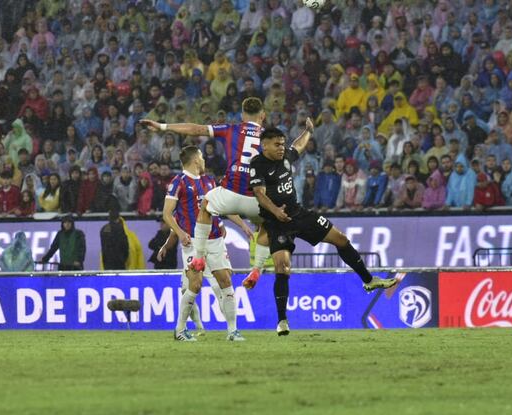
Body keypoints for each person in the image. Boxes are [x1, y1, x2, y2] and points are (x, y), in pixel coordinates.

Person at [249, 126, 398, 336]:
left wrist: (308, 131)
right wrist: (275, 211)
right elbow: (259, 193)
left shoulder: (286, 157)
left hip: (298, 214)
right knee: (282, 268)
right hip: (276, 222)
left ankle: (369, 280)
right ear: (264, 145)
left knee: (341, 239)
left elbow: (298, 146)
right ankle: (282, 320)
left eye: (282, 144)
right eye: (277, 144)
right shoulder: (257, 164)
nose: (281, 148)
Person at [140, 97, 270, 290]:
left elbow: (196, 129)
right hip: (256, 196)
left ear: (242, 115)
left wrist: (162, 126)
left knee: (206, 205)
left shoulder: (232, 129)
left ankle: (199, 257)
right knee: (267, 224)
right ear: (263, 115)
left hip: (232, 191)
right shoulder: (271, 137)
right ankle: (257, 268)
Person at [157, 145, 251, 342]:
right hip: (193, 241)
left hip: (215, 239)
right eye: (201, 157)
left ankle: (233, 331)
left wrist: (242, 225)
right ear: (195, 160)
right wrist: (180, 233)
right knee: (195, 284)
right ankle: (180, 330)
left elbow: (223, 206)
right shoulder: (178, 182)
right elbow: (167, 214)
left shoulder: (209, 181)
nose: (204, 160)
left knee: (225, 281)